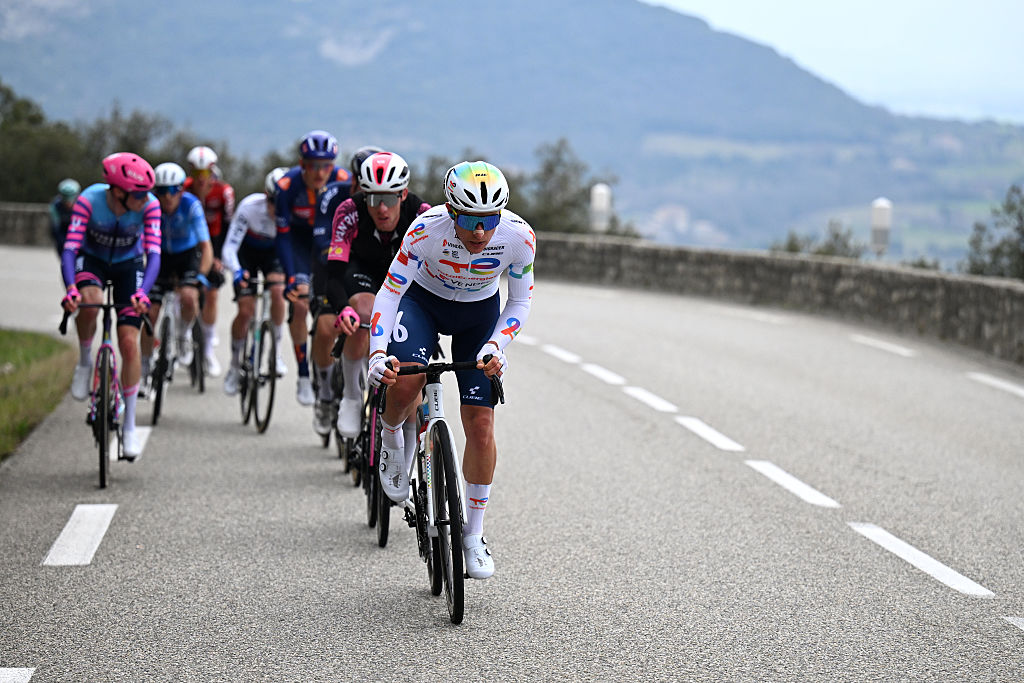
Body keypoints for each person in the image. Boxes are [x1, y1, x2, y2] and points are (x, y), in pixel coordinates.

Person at [368, 161, 536, 580]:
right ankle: (390, 436)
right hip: (423, 304)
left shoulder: (519, 237)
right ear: (450, 210)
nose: (480, 232)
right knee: (406, 381)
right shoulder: (426, 230)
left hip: (478, 317)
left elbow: (519, 301)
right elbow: (390, 292)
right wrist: (376, 353)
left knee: (480, 425)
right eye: (469, 220)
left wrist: (498, 345)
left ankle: (474, 534)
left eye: (489, 221)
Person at [60, 152, 161, 461]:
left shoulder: (151, 206)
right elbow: (70, 248)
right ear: (118, 191)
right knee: (90, 304)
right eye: (139, 193)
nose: (146, 199)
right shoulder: (89, 201)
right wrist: (71, 288)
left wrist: (143, 293)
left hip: (129, 265)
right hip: (93, 261)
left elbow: (154, 254)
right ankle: (86, 360)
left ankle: (129, 424)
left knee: (129, 343)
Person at [326, 151, 430, 439]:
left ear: (404, 194)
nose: (381, 208)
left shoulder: (422, 214)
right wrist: (341, 307)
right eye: (373, 199)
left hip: (403, 278)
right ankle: (350, 395)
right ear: (363, 195)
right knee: (363, 312)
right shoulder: (349, 210)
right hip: (362, 273)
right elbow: (333, 273)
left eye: (389, 199)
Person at [273, 130, 350, 405]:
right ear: (302, 163)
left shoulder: (344, 180)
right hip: (298, 245)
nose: (320, 172)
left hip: (330, 244)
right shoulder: (286, 187)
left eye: (326, 165)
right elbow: (282, 235)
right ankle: (304, 374)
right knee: (301, 304)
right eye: (313, 165)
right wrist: (292, 276)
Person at [139, 162, 214, 392]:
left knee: (189, 297)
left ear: (182, 190)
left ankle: (183, 334)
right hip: (159, 257)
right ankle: (143, 368)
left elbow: (206, 246)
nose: (167, 196)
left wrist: (200, 276)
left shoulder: (192, 205)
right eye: (161, 191)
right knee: (149, 312)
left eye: (173, 190)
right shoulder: (149, 206)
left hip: (186, 256)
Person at [221, 168, 290, 395]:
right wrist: (238, 271)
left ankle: (276, 353)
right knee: (245, 310)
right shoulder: (250, 207)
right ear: (265, 195)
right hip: (247, 255)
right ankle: (233, 365)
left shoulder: (293, 214)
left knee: (278, 292)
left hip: (274, 255)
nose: (276, 208)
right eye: (272, 201)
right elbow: (230, 247)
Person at [183, 145, 235, 376]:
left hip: (212, 243)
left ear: (213, 172)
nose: (201, 180)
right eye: (196, 174)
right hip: (187, 243)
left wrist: (220, 257)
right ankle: (181, 333)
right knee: (182, 290)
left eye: (205, 174)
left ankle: (208, 348)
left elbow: (228, 226)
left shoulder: (224, 192)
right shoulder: (182, 190)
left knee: (212, 294)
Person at [49, 178, 81, 257]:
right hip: (62, 237)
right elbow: (55, 228)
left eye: (70, 201)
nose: (68, 204)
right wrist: (65, 244)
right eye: (66, 201)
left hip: (77, 238)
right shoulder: (55, 206)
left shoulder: (81, 206)